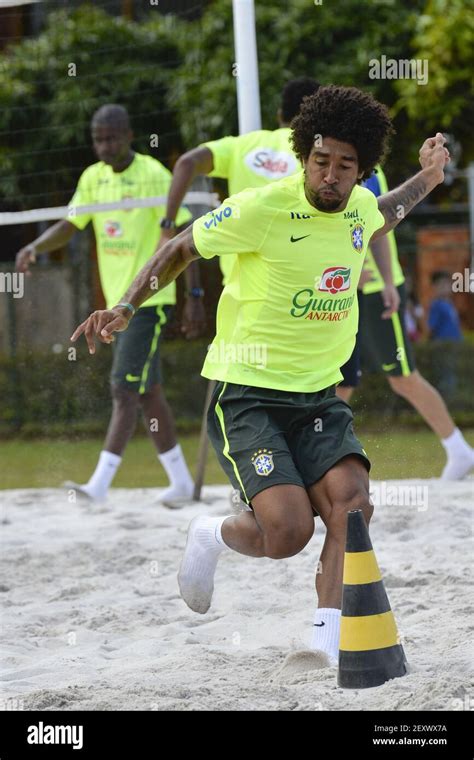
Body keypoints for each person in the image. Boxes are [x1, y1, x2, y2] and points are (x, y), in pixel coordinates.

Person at [70, 86, 450, 665]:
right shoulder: (262, 207)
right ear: (304, 156)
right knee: (289, 533)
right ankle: (211, 532)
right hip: (248, 394)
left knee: (352, 503)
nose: (330, 174)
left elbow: (390, 209)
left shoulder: (361, 209)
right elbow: (180, 248)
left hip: (320, 395)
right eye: (320, 160)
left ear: (360, 170)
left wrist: (429, 177)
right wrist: (126, 305)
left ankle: (325, 642)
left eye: (344, 166)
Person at [16, 104, 206, 504]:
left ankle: (99, 486)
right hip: (115, 308)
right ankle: (183, 484)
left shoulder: (155, 175)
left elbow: (184, 240)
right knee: (149, 392)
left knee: (123, 388)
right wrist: (34, 246)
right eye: (97, 139)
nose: (103, 146)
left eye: (111, 138)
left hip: (148, 302)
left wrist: (193, 298)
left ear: (128, 135)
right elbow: (70, 224)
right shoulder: (92, 178)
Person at [336, 165, 474, 481]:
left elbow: (374, 224)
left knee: (402, 377)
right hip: (345, 288)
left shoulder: (365, 167)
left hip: (374, 290)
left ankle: (457, 448)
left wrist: (383, 280)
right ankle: (318, 456)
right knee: (339, 380)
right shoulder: (330, 161)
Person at [159, 77, 321, 284]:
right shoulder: (317, 154)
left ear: (279, 114)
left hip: (238, 286)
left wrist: (167, 227)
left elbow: (186, 163)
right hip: (298, 280)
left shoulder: (243, 145)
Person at [428, 270, 463, 399]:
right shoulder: (436, 305)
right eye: (441, 285)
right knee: (445, 374)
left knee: (452, 372)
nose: (445, 288)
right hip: (443, 345)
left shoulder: (449, 303)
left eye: (447, 284)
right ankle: (445, 398)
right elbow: (432, 326)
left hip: (454, 345)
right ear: (435, 287)